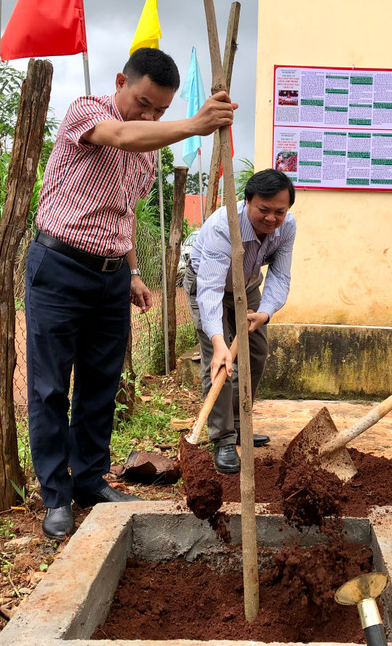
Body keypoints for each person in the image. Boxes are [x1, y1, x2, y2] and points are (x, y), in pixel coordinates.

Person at [26, 48, 236, 540]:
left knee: (101, 383)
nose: (149, 116)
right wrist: (192, 124)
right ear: (121, 81)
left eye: (160, 111)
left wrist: (134, 272)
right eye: (144, 103)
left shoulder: (150, 147)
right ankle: (56, 495)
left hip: (110, 276)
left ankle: (92, 482)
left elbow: (122, 215)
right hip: (59, 267)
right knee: (51, 387)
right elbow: (120, 135)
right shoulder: (88, 111)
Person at [185, 169, 296, 474]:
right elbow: (210, 289)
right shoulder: (224, 227)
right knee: (219, 361)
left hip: (246, 286)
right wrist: (219, 342)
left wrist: (266, 312)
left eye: (279, 211)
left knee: (256, 353)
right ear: (247, 201)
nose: (271, 218)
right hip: (209, 285)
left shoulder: (287, 228)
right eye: (264, 210)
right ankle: (222, 438)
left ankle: (236, 424)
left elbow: (279, 274)